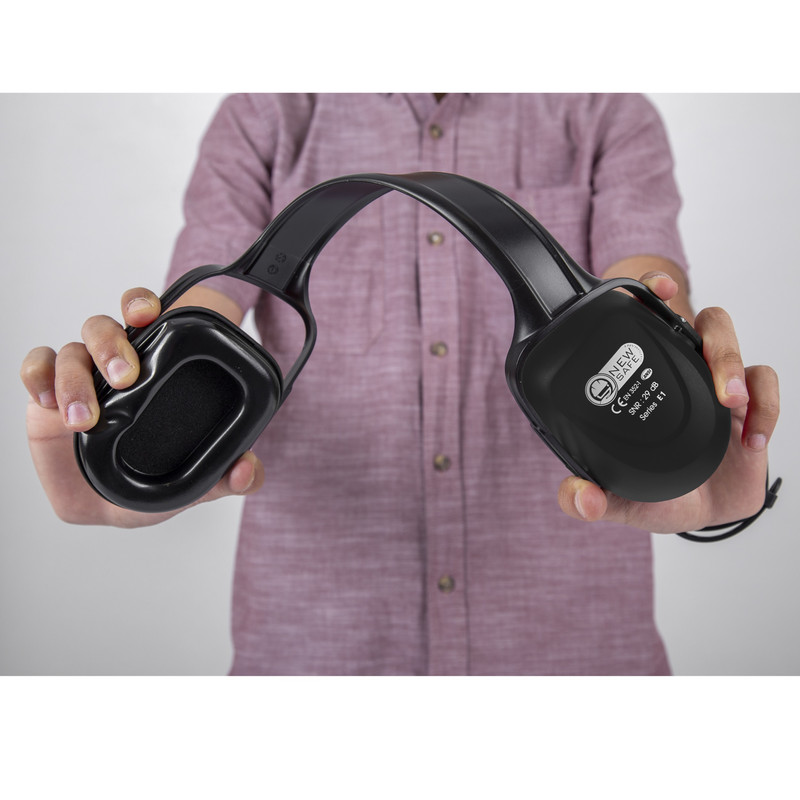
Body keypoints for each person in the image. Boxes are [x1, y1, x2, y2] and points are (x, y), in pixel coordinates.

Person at [19, 94, 779, 675]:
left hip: (582, 663)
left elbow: (643, 292)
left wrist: (690, 431)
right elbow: (203, 317)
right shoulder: (264, 111)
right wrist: (135, 417)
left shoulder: (604, 107)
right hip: (312, 663)